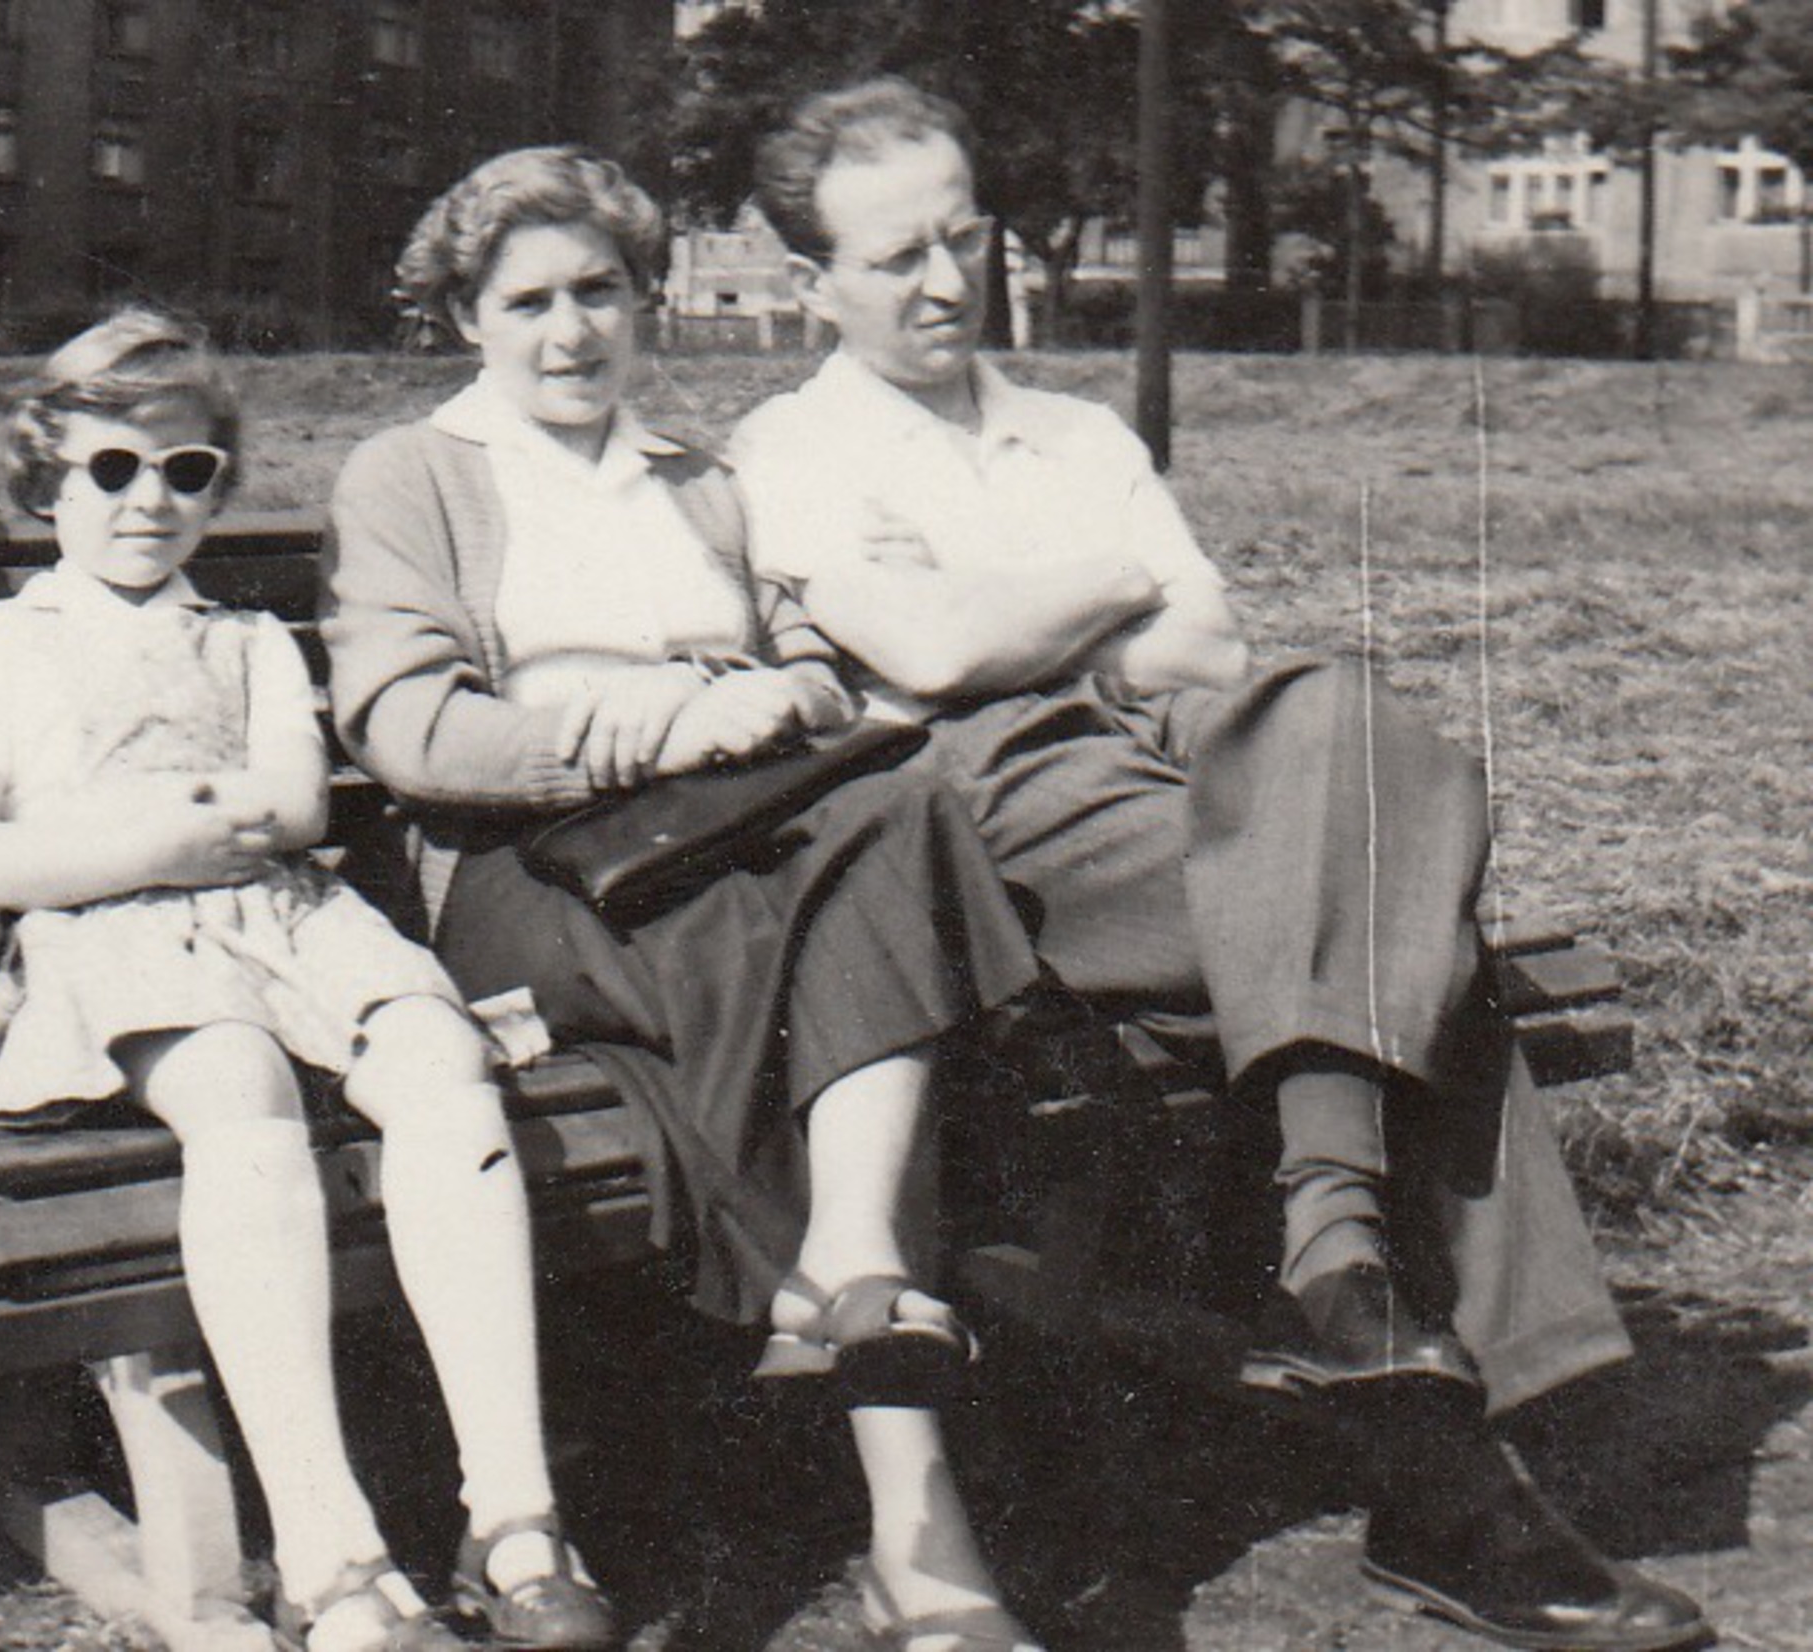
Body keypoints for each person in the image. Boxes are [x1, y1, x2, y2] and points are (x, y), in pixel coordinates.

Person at [726, 76, 1710, 1652]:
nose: (945, 280)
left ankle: (1341, 1264)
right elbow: (934, 655)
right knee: (1404, 933)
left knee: (1341, 715)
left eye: (963, 237)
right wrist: (1110, 578)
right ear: (809, 282)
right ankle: (1450, 1478)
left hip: (1189, 767)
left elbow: (1213, 646)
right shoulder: (788, 448)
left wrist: (1008, 605)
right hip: (992, 821)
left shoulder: (1077, 430)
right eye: (896, 257)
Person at [322, 147, 1052, 1652]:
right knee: (825, 927)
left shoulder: (699, 481)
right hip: (533, 873)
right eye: (528, 302)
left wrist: (776, 697)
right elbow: (409, 731)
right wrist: (655, 727)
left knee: (894, 812)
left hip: (736, 846)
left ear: (647, 300)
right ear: (464, 317)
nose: (571, 331)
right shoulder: (413, 476)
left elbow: (811, 665)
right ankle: (921, 1534)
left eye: (601, 292)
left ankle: (848, 1264)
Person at [0, 307, 618, 1652]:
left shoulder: (243, 638)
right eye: (112, 469)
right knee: (239, 1092)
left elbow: (293, 805)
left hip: (291, 923)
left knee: (444, 1068)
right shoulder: (0, 642)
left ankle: (514, 1516)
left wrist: (189, 823)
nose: (150, 501)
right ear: (47, 480)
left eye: (187, 473)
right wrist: (155, 839)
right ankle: (326, 1549)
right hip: (112, 940)